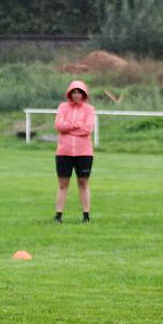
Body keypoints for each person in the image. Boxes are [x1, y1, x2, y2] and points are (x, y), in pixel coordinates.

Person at [53, 80, 95, 224]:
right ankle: (58, 215)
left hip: (84, 152)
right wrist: (75, 126)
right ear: (70, 93)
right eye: (74, 92)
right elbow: (58, 125)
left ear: (84, 94)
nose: (77, 95)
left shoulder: (89, 110)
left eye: (79, 92)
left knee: (83, 183)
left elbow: (88, 129)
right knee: (63, 183)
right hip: (64, 152)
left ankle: (86, 215)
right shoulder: (63, 107)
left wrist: (68, 130)